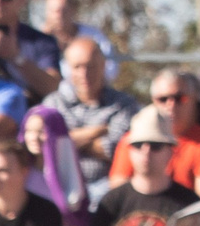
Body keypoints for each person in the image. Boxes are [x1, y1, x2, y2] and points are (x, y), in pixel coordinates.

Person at [107, 72, 200, 194]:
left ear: (194, 98)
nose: (171, 105)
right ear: (153, 101)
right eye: (162, 99)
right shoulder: (135, 139)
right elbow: (118, 192)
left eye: (179, 98)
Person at [54, 36, 139, 180]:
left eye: (90, 66)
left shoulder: (124, 104)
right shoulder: (54, 103)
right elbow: (45, 144)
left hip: (106, 188)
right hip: (60, 186)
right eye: (77, 67)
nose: (84, 74)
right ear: (68, 68)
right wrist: (97, 131)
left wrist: (66, 141)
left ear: (103, 65)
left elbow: (116, 149)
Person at [44, 0, 117, 82]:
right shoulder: (37, 41)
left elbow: (111, 66)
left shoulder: (93, 35)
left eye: (64, 10)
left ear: (73, 10)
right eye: (53, 11)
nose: (59, 15)